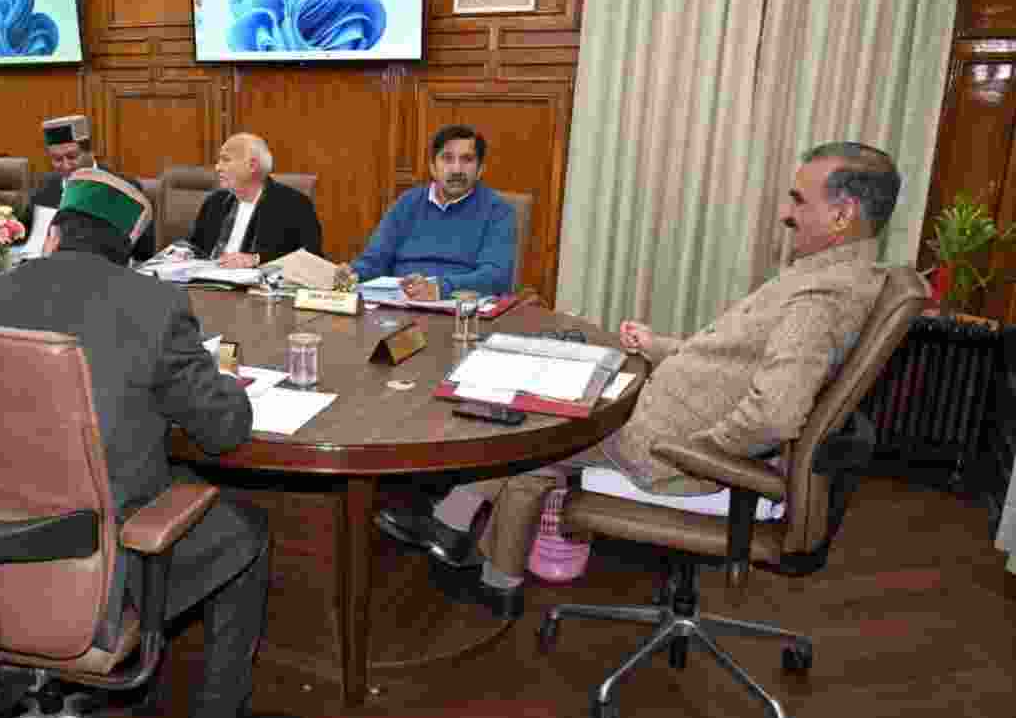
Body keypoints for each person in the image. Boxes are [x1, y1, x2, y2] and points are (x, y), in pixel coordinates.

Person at [377, 142, 902, 618]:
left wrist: (698, 450)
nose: (787, 213)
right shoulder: (839, 275)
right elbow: (741, 359)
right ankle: (472, 551)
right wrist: (662, 348)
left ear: (841, 214)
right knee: (549, 409)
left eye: (799, 200)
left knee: (532, 440)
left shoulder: (821, 298)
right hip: (672, 413)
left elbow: (777, 412)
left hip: (679, 446)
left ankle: (482, 566)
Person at [0, 169, 302, 718]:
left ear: (54, 234)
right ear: (128, 250)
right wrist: (220, 380)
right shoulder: (155, 304)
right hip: (104, 552)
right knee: (244, 530)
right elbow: (224, 431)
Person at [344, 125, 515, 298]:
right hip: (399, 304)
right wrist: (352, 274)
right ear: (432, 167)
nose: (457, 169)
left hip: (459, 311)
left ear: (480, 170)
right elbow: (375, 260)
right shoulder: (408, 202)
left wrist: (440, 289)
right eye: (447, 159)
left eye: (467, 159)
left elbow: (495, 277)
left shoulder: (497, 210)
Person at [23, 114, 156, 261]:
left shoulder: (123, 187)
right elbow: (25, 237)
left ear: (91, 152)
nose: (66, 165)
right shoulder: (44, 189)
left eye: (72, 157)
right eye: (57, 159)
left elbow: (144, 252)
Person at [186, 133, 323, 268]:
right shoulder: (214, 202)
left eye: (226, 160)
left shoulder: (294, 205)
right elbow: (195, 248)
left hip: (254, 287)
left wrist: (256, 259)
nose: (217, 167)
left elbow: (311, 259)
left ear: (252, 165)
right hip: (205, 284)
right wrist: (183, 254)